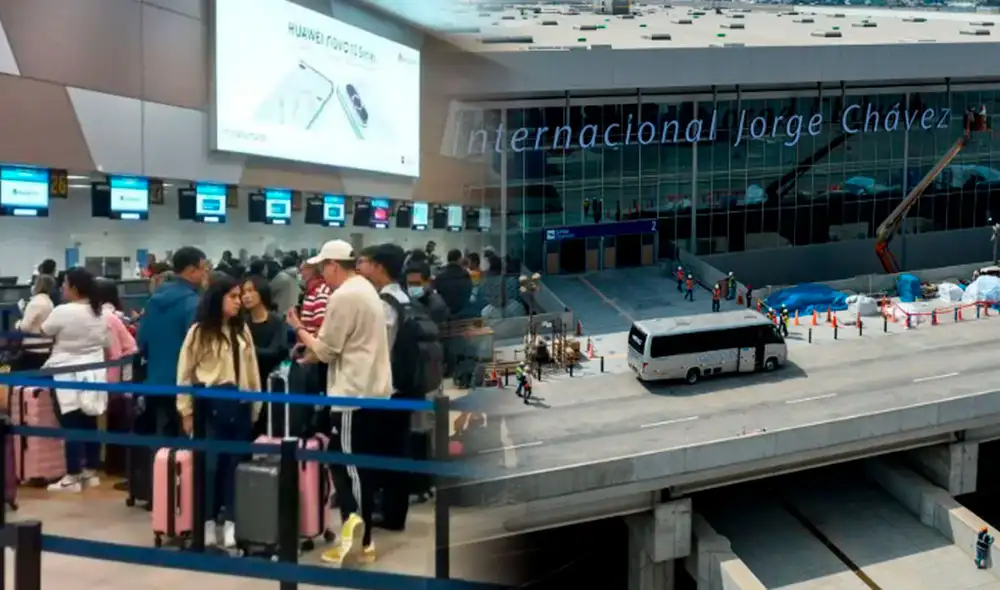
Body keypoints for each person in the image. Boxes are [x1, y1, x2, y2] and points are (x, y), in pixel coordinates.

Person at [286, 239, 391, 567]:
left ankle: (359, 541)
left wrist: (300, 329)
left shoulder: (344, 296)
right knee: (359, 467)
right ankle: (364, 539)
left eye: (322, 268)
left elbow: (327, 350)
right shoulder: (365, 288)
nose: (321, 275)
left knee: (349, 470)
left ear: (333, 265)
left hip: (352, 395)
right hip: (374, 392)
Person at [176, 274, 261, 549]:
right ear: (217, 298)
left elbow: (252, 370)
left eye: (240, 297)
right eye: (233, 297)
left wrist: (255, 404)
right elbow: (185, 374)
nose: (240, 302)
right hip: (208, 404)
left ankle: (233, 524)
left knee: (235, 466)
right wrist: (185, 411)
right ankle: (208, 522)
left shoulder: (242, 330)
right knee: (209, 467)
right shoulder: (199, 332)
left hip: (239, 404)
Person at [40, 268, 109, 492]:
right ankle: (90, 471)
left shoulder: (63, 311)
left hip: (65, 372)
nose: (62, 288)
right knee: (89, 421)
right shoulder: (101, 311)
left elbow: (44, 330)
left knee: (70, 424)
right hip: (94, 373)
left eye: (65, 284)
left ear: (75, 288)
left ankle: (72, 477)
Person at [137, 247, 208, 436]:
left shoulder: (154, 300)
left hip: (155, 381)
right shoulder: (194, 303)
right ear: (191, 270)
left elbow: (142, 341)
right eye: (203, 268)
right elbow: (197, 348)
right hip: (184, 385)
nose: (205, 273)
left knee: (162, 443)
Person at [241, 275, 288, 389]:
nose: (246, 296)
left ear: (261, 292)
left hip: (271, 380)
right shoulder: (242, 323)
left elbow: (275, 352)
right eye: (243, 293)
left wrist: (248, 350)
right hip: (248, 379)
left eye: (250, 291)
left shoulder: (277, 321)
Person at [15, 274, 55, 370]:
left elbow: (25, 327)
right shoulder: (49, 302)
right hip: (46, 347)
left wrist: (17, 324)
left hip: (33, 348)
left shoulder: (35, 302)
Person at [404, 262, 450, 327]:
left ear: (428, 281)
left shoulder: (437, 306)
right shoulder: (406, 301)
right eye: (410, 283)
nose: (412, 287)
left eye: (416, 283)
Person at [432, 249, 473, 316]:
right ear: (459, 259)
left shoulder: (440, 277)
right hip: (464, 313)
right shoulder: (466, 276)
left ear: (448, 260)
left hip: (445, 314)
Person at [299, 261, 332, 336]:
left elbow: (320, 330)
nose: (301, 274)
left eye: (302, 270)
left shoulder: (320, 293)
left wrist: (296, 324)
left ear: (311, 270)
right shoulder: (311, 291)